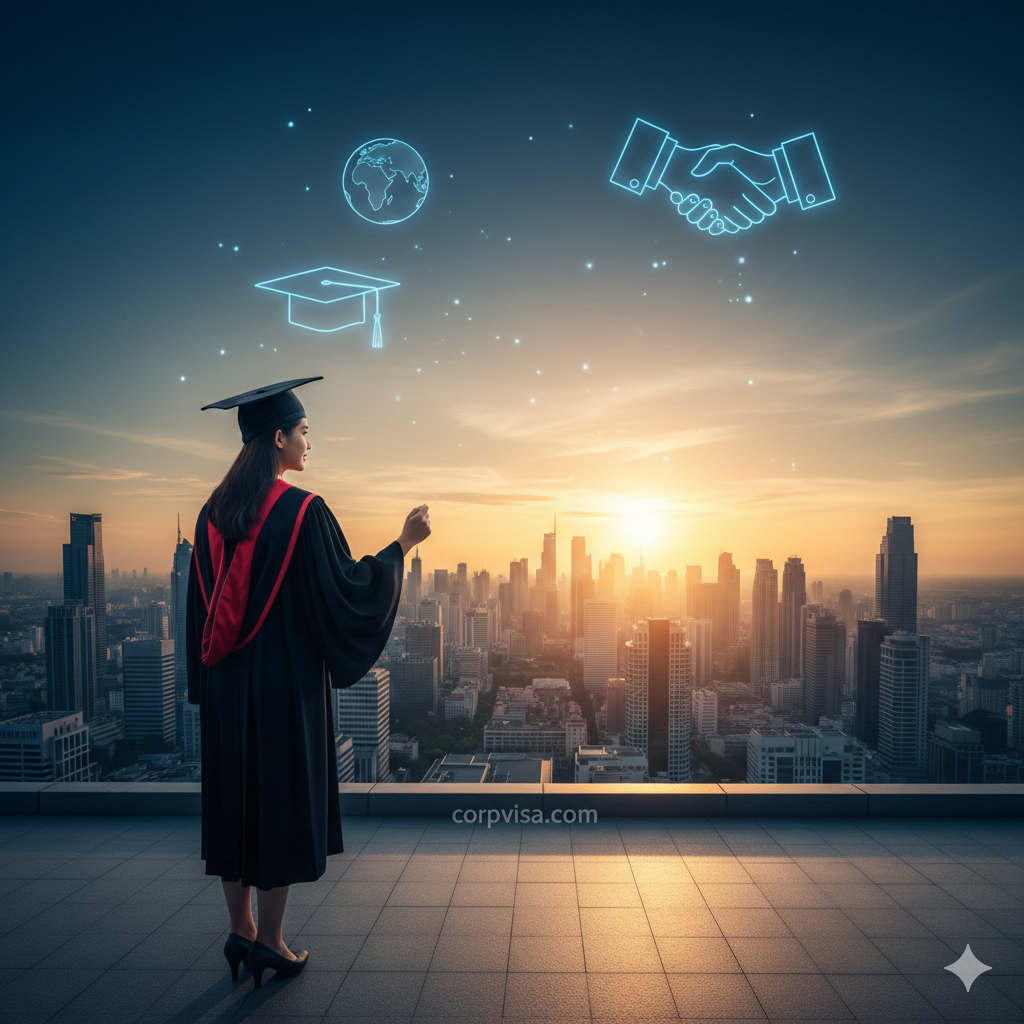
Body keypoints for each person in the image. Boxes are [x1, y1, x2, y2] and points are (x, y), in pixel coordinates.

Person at [185, 376, 431, 988]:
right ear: (278, 437)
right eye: (303, 432)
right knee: (279, 803)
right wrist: (403, 543)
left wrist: (205, 689)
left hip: (225, 689)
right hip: (281, 687)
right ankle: (271, 940)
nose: (308, 444)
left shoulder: (212, 515)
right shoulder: (301, 511)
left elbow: (200, 611)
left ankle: (239, 930)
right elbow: (350, 591)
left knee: (236, 803)